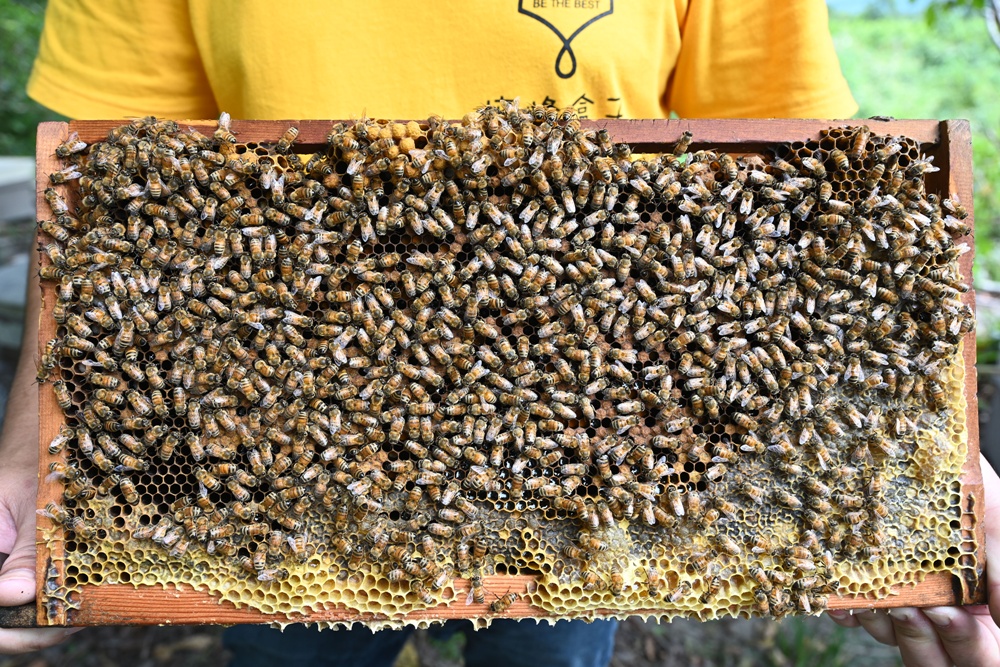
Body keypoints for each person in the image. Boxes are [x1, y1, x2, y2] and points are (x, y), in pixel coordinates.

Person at [0, 1, 994, 665]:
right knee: (276, 632)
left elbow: (798, 201)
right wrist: (29, 462)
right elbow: (109, 208)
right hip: (271, 451)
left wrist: (915, 463)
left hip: (599, 434)